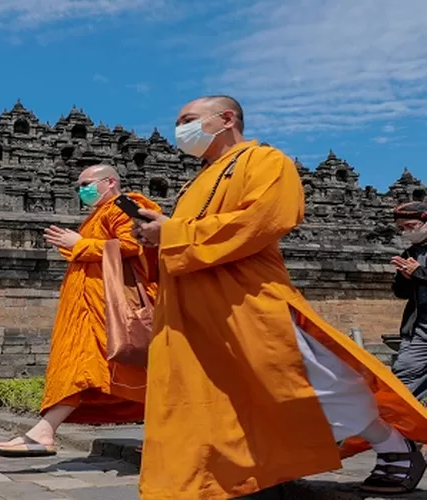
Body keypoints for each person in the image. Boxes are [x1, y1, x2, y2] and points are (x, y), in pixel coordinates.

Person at [132, 95, 427, 498]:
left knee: (300, 380)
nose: (180, 130)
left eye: (188, 119)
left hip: (245, 297)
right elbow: (180, 239)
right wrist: (152, 238)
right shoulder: (195, 180)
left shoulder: (265, 161)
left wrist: (172, 233)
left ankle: (392, 443)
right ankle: (215, 477)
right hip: (188, 304)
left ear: (226, 118)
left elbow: (266, 218)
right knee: (204, 394)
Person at [0, 164, 162, 458]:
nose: (81, 190)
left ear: (110, 182)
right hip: (87, 309)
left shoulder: (124, 207)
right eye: (78, 185)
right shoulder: (98, 214)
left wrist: (80, 244)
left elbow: (136, 244)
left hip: (110, 309)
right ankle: (43, 432)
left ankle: (43, 432)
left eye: (86, 183)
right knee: (83, 369)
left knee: (114, 368)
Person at [391, 201, 427, 402]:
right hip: (420, 331)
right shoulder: (410, 254)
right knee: (403, 379)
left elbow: (421, 275)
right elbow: (400, 292)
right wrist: (406, 278)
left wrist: (419, 273)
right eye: (401, 228)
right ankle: (400, 430)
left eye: (410, 226)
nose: (406, 232)